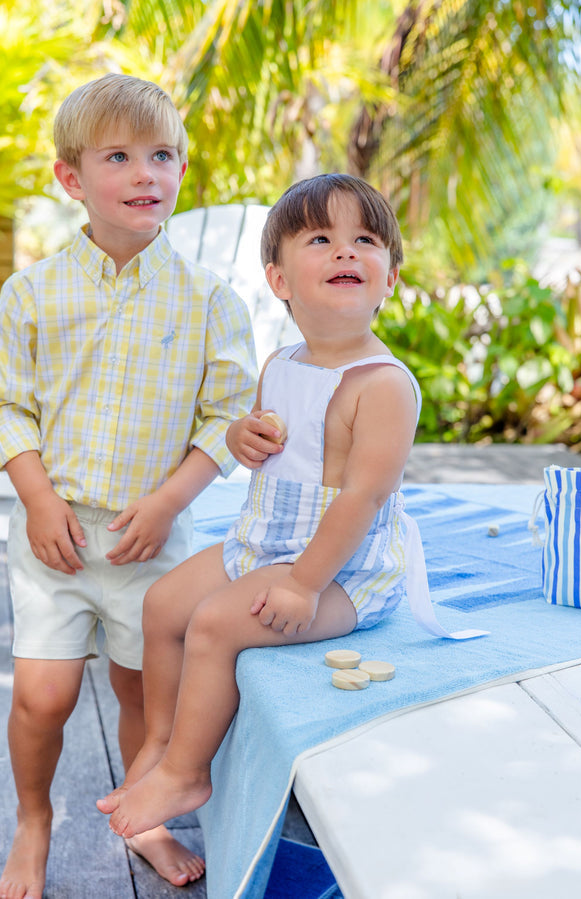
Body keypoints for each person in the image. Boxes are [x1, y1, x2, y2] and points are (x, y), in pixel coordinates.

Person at [97, 172, 424, 839]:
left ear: (389, 277)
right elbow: (266, 438)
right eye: (321, 239)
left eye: (365, 239)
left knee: (216, 624)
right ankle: (158, 744)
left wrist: (304, 585)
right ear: (279, 280)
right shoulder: (281, 361)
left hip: (340, 571)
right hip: (266, 542)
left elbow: (363, 497)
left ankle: (189, 770)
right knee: (162, 604)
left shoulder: (383, 385)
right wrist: (244, 437)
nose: (345, 251)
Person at [0, 73, 257, 899]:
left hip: (155, 538)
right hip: (58, 537)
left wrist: (171, 500)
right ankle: (34, 821)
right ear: (71, 179)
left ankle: (142, 817)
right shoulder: (31, 294)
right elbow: (8, 404)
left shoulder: (211, 300)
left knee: (143, 688)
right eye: (120, 156)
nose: (148, 172)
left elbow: (226, 416)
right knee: (43, 695)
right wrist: (38, 500)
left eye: (164, 155)